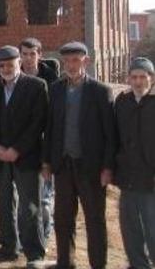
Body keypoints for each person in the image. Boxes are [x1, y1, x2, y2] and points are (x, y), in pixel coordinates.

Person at [42, 42, 115, 269]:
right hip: (63, 165)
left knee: (94, 219)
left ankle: (98, 264)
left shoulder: (100, 91)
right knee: (63, 219)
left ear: (86, 61)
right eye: (67, 61)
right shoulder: (55, 89)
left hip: (91, 167)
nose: (71, 65)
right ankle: (65, 262)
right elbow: (49, 128)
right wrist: (47, 162)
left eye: (76, 60)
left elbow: (110, 134)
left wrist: (107, 167)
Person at [0, 45, 47, 266]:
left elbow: (38, 123)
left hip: (27, 158)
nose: (6, 69)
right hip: (0, 159)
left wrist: (16, 150)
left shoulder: (36, 86)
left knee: (30, 208)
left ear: (19, 63)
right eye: (1, 66)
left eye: (10, 64)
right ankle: (8, 247)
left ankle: (34, 253)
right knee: (3, 204)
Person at [114, 57, 155, 269]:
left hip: (151, 178)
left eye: (142, 77)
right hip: (128, 176)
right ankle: (138, 264)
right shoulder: (122, 102)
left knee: (152, 227)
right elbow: (115, 137)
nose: (138, 82)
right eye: (134, 77)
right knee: (130, 227)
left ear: (152, 78)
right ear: (128, 79)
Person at [20, 37, 59, 244]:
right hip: (21, 148)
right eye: (24, 54)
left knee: (44, 198)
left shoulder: (52, 80)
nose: (28, 58)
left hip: (44, 146)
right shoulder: (13, 77)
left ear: (40, 55)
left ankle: (44, 235)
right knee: (23, 198)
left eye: (32, 54)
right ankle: (24, 237)